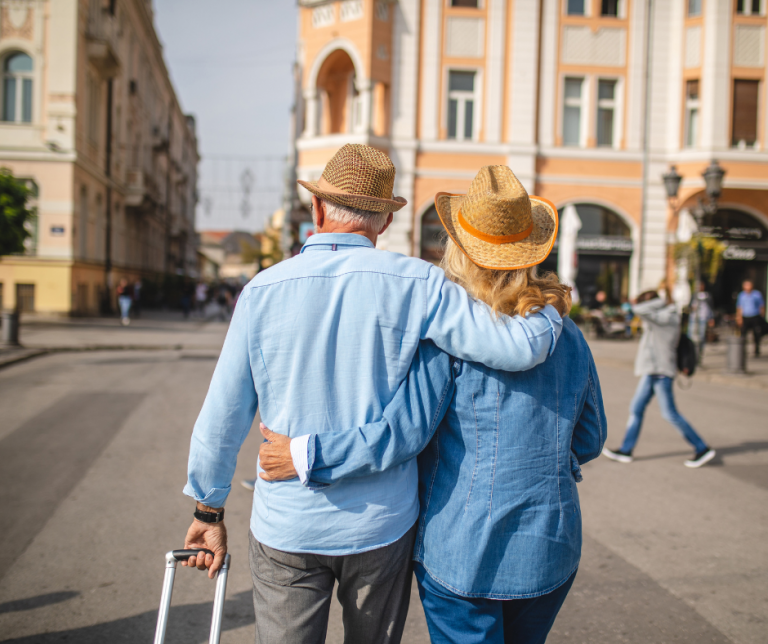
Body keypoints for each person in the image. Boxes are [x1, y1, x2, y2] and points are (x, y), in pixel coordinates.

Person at [180, 148, 563, 644]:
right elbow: (513, 349)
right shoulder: (419, 284)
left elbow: (221, 420)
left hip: (288, 523)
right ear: (383, 222)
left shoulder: (261, 290)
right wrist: (552, 307)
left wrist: (207, 511)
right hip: (380, 526)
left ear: (318, 211)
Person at [259, 166, 606, 644]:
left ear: (458, 248)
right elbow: (590, 439)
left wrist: (307, 454)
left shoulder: (449, 338)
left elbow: (401, 436)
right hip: (551, 545)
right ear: (531, 252)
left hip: (463, 551)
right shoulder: (567, 335)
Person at [603, 288, 716, 468]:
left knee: (669, 413)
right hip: (652, 371)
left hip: (661, 372)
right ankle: (626, 450)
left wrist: (657, 301)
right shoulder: (659, 317)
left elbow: (639, 310)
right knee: (636, 408)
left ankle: (702, 448)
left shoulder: (667, 317)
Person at [736, 280, 765, 358]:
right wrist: (739, 317)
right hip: (745, 316)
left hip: (755, 316)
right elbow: (739, 307)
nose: (747, 287)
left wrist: (762, 316)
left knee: (756, 333)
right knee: (743, 334)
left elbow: (761, 305)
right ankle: (742, 350)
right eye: (746, 285)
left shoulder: (757, 294)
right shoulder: (741, 295)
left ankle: (757, 350)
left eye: (749, 285)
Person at [689, 282, 714, 362]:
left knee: (701, 337)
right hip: (693, 319)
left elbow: (711, 307)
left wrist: (711, 318)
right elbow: (690, 306)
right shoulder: (694, 295)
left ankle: (699, 354)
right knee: (691, 337)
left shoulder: (707, 295)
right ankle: (692, 355)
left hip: (703, 319)